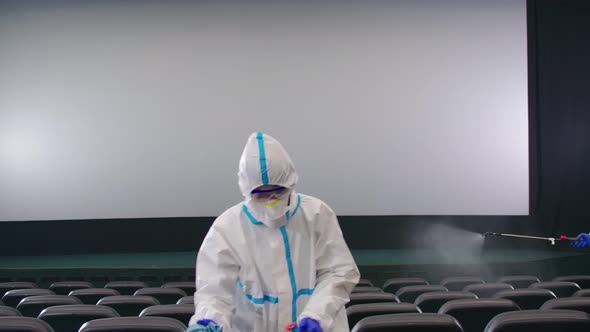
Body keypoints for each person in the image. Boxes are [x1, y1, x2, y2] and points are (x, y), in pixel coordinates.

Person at [187, 132, 360, 332]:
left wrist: (317, 316)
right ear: (247, 190)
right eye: (261, 195)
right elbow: (214, 291)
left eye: (278, 192)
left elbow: (339, 272)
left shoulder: (317, 214)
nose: (271, 203)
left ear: (291, 183)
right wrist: (210, 320)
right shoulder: (227, 226)